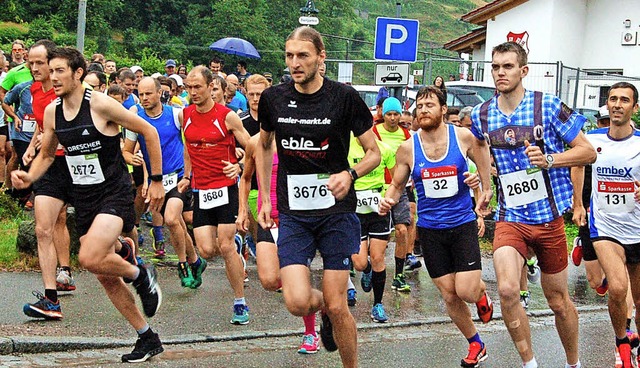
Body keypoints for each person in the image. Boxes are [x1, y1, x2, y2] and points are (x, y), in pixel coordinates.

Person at [12, 46, 164, 363]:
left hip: (114, 191)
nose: (52, 77)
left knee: (90, 255)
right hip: (85, 197)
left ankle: (140, 275)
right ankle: (146, 337)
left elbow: (148, 131)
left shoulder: (99, 104)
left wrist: (158, 180)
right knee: (102, 272)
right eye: (49, 71)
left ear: (78, 73)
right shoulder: (53, 112)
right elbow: (45, 153)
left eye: (59, 71)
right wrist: (29, 177)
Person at [255, 27, 380, 368]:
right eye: (289, 56)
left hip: (336, 213)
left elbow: (374, 153)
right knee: (296, 302)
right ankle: (323, 307)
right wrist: (266, 199)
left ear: (321, 58)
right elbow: (263, 146)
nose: (295, 63)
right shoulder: (274, 98)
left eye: (303, 56)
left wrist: (350, 175)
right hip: (294, 212)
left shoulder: (343, 97)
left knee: (340, 306)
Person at [470, 41, 596, 368]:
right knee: (509, 290)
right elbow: (477, 152)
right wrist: (482, 184)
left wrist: (550, 159)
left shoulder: (548, 106)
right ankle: (530, 364)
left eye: (507, 66)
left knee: (558, 301)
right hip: (510, 217)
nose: (500, 72)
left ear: (523, 70)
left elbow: (588, 152)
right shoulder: (480, 114)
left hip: (548, 218)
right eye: (495, 66)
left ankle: (573, 363)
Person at [380, 85, 494, 368]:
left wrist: (482, 186)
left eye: (430, 105)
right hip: (430, 230)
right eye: (419, 106)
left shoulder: (463, 137)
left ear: (443, 110)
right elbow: (396, 185)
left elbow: (482, 154)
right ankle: (476, 343)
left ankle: (481, 294)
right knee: (448, 293)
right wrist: (387, 201)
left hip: (461, 224)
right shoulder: (407, 148)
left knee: (466, 290)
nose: (423, 110)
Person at [572, 83, 640, 368]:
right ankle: (621, 340)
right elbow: (577, 164)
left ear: (634, 108)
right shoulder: (591, 139)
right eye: (613, 99)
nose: (617, 104)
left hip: (637, 227)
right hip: (605, 227)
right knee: (617, 288)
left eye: (624, 100)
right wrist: (578, 203)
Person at [183, 65, 252, 324]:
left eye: (197, 87)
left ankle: (239, 302)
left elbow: (251, 147)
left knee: (224, 247)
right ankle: (234, 244)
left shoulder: (227, 116)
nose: (193, 92)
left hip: (225, 187)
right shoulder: (186, 115)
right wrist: (187, 177)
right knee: (207, 248)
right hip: (201, 189)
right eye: (189, 88)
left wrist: (241, 165)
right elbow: (189, 148)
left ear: (211, 86)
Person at [125, 77, 206, 288]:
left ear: (159, 92)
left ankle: (183, 265)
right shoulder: (137, 119)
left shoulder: (175, 114)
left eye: (148, 93)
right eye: (140, 94)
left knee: (171, 219)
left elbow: (190, 143)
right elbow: (126, 150)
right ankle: (195, 260)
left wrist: (189, 174)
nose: (144, 98)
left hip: (177, 176)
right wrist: (131, 158)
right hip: (155, 181)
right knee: (176, 222)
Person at [372, 97, 421, 292]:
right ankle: (367, 267)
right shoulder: (374, 132)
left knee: (402, 229)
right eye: (389, 114)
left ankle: (399, 275)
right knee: (374, 235)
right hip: (377, 187)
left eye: (396, 114)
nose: (392, 118)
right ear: (382, 115)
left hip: (399, 187)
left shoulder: (407, 134)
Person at [349, 132, 395, 322]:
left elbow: (395, 179)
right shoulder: (347, 148)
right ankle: (366, 270)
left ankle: (378, 304)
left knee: (378, 257)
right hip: (355, 211)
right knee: (359, 262)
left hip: (378, 209)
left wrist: (388, 196)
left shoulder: (384, 149)